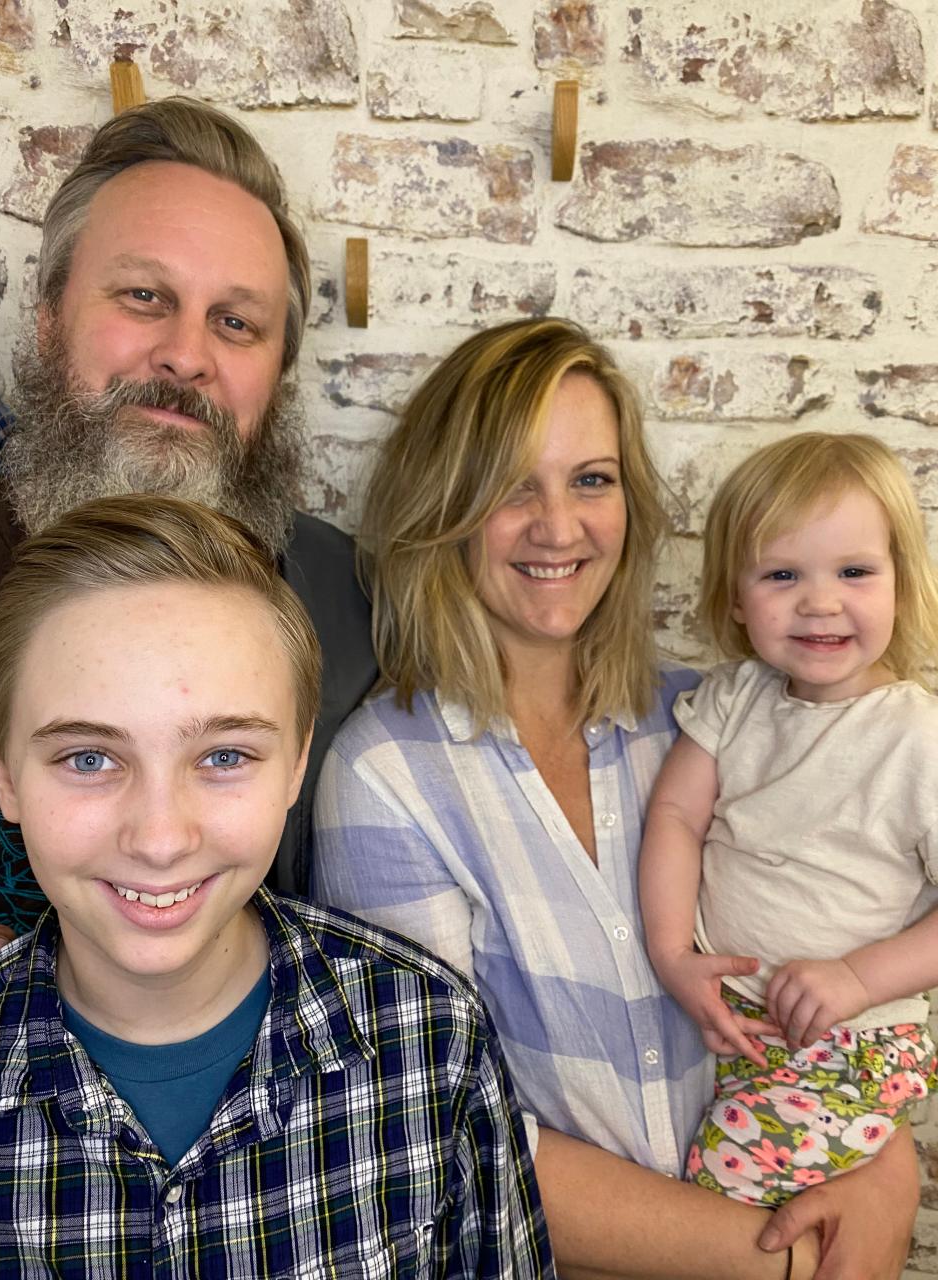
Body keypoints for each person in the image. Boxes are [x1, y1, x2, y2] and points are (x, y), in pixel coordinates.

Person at [312, 318, 921, 1279]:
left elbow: (842, 934)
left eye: (590, 479)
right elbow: (438, 1123)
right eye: (514, 485)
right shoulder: (388, 773)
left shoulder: (709, 721)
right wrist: (779, 1264)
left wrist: (887, 1167)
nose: (559, 527)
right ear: (445, 505)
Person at [0, 492, 553, 1278]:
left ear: (296, 761)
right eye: (88, 758)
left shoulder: (429, 1040)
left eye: (224, 757)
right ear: (5, 773)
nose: (159, 839)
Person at [0, 96, 375, 945]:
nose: (187, 354)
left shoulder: (359, 609)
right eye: (146, 295)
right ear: (48, 326)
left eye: (236, 322)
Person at [638, 432, 938, 1208]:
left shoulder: (915, 737)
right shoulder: (737, 699)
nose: (820, 601)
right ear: (737, 597)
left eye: (854, 572)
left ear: (902, 583)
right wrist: (672, 953)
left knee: (712, 1196)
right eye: (782, 574)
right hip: (734, 1025)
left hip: (848, 1044)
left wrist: (854, 977)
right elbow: (674, 817)